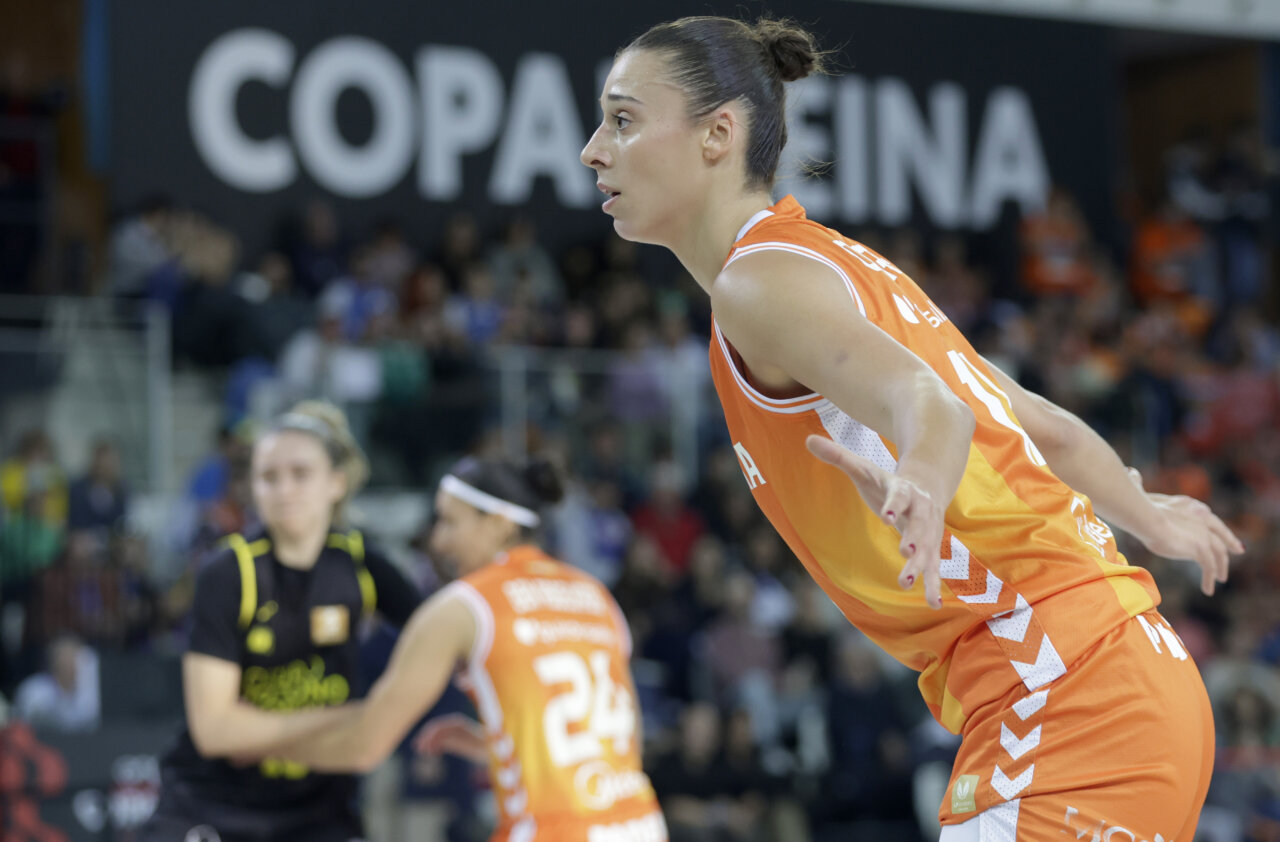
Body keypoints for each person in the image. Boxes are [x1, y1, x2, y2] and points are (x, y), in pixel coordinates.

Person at [579, 16, 1245, 840]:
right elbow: (1041, 427)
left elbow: (933, 406)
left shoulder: (758, 285)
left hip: (1060, 689)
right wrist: (1148, 512)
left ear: (719, 133)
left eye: (622, 118)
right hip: (1115, 671)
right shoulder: (845, 267)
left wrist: (922, 485)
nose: (592, 150)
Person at [242, 456, 667, 842]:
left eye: (449, 523)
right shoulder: (596, 596)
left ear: (499, 523)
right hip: (639, 824)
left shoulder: (465, 605)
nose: (438, 542)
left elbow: (365, 744)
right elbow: (614, 739)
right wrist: (496, 741)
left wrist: (251, 745)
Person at [139, 401, 423, 842]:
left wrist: (257, 731)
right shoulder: (228, 572)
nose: (284, 489)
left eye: (301, 473)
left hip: (320, 806)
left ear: (337, 482)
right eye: (269, 477)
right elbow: (216, 731)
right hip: (214, 800)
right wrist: (350, 716)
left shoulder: (362, 563)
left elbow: (447, 635)